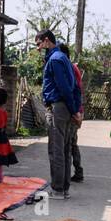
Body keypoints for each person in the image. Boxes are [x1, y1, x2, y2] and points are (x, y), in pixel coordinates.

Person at [35, 28, 81, 199]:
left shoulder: (55, 59)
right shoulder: (64, 58)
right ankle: (64, 188)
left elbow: (65, 88)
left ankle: (58, 189)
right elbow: (75, 87)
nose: (38, 48)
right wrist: (75, 110)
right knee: (65, 149)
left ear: (47, 41)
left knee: (56, 150)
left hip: (58, 108)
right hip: (66, 108)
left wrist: (74, 110)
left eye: (39, 44)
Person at [60, 43, 85, 183]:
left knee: (69, 144)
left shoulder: (69, 68)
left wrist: (76, 112)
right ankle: (77, 172)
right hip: (75, 110)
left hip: (73, 110)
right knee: (72, 143)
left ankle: (70, 173)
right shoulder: (72, 67)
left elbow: (72, 91)